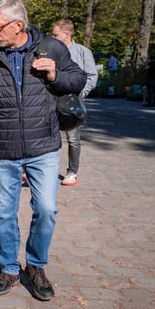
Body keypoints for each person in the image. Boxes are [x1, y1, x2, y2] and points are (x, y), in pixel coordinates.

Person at [0, 0, 85, 301]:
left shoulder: (51, 48)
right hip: (4, 149)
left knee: (46, 210)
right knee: (5, 215)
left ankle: (35, 266)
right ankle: (9, 269)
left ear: (17, 25)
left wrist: (55, 75)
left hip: (43, 146)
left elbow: (78, 80)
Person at [51, 19, 98, 186]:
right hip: (52, 99)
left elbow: (92, 76)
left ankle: (72, 172)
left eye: (55, 34)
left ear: (66, 34)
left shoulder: (82, 52)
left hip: (73, 102)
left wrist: (80, 95)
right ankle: (45, 170)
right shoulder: (51, 51)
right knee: (48, 135)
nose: (52, 37)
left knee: (73, 138)